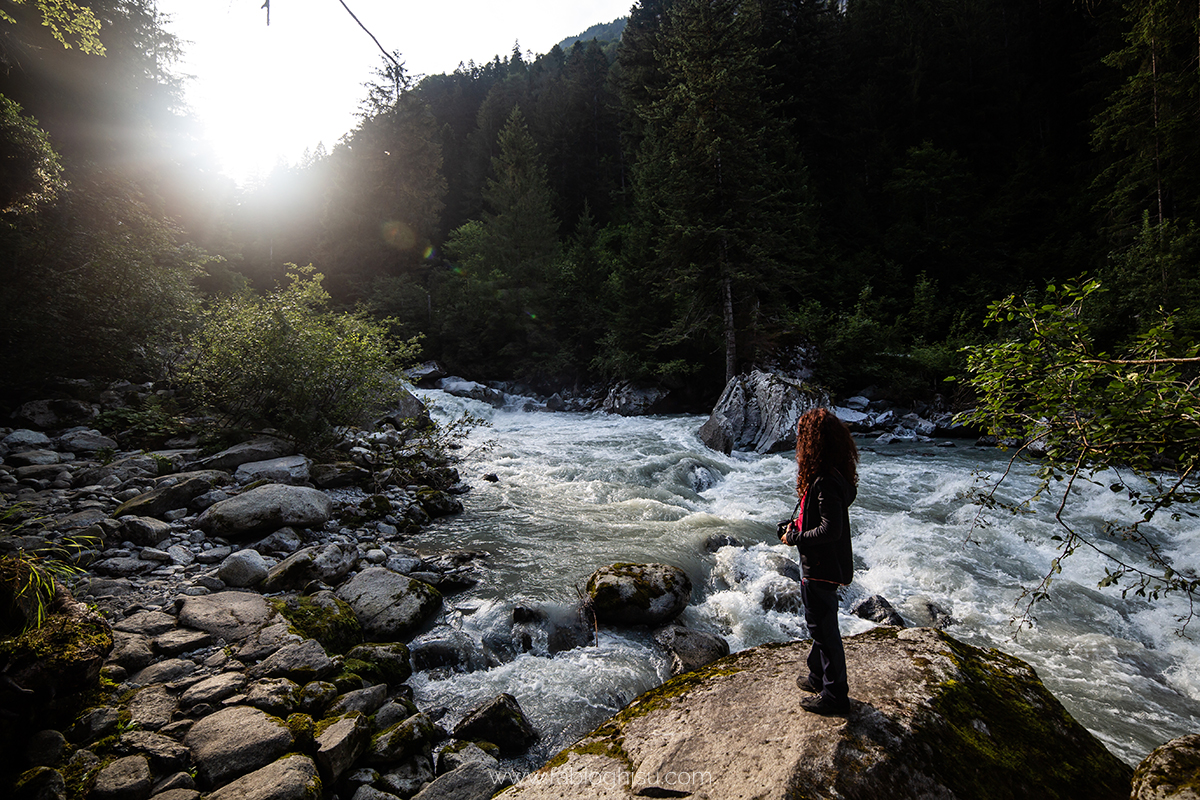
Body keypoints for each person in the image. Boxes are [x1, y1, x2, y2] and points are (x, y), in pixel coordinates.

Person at [779, 407, 858, 715]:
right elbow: (820, 518)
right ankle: (817, 676)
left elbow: (830, 529)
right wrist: (792, 524)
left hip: (820, 568)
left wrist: (796, 538)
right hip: (827, 565)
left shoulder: (824, 481)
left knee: (824, 631)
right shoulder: (834, 475)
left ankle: (835, 696)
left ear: (813, 442)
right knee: (822, 626)